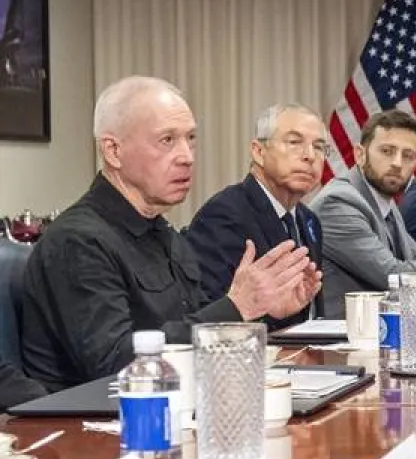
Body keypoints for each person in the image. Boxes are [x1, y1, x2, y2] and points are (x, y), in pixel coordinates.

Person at [21, 76, 320, 390]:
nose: (187, 156)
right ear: (113, 151)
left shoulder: (163, 232)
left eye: (190, 139)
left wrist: (263, 310)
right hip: (97, 426)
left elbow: (193, 324)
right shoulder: (78, 241)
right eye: (167, 140)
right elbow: (113, 366)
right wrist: (238, 306)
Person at [310, 109, 416, 315]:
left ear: (415, 165)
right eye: (387, 151)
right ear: (360, 155)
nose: (397, 163)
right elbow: (392, 274)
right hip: (341, 339)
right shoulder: (338, 202)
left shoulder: (384, 202)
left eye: (407, 156)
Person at [186, 103, 327, 331]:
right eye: (294, 143)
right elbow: (210, 315)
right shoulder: (223, 215)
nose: (310, 156)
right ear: (258, 152)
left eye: (319, 147)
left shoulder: (309, 220)